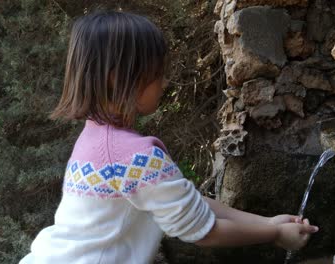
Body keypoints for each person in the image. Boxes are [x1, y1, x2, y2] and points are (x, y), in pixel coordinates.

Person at [20, 10, 319, 264]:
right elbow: (202, 230)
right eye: (157, 72)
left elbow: (187, 202)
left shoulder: (96, 138)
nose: (164, 81)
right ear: (119, 76)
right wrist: (274, 234)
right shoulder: (133, 156)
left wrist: (268, 222)